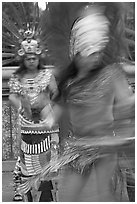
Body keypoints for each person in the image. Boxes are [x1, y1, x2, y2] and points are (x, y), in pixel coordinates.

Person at [40, 2, 135, 202]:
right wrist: (49, 116)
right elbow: (61, 109)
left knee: (102, 196)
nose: (97, 57)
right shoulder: (69, 81)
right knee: (67, 197)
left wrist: (123, 132)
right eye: (91, 53)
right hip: (77, 149)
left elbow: (127, 105)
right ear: (77, 53)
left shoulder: (111, 74)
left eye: (99, 52)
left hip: (104, 147)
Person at [8, 30, 59, 202]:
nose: (31, 61)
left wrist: (46, 105)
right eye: (28, 58)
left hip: (44, 127)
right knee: (26, 163)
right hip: (26, 126)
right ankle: (25, 190)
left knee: (45, 166)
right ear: (23, 59)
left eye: (34, 58)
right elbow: (13, 96)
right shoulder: (17, 77)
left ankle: (46, 195)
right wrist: (22, 106)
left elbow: (55, 93)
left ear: (39, 58)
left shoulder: (47, 75)